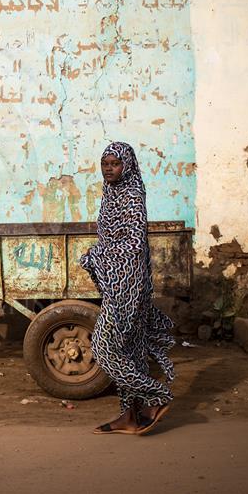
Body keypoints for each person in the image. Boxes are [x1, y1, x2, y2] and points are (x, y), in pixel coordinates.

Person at [81, 141, 175, 435]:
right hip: (116, 281)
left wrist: (96, 255)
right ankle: (129, 416)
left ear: (128, 165)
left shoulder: (132, 194)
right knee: (129, 350)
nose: (109, 169)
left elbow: (133, 244)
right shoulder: (111, 194)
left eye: (115, 164)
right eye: (105, 164)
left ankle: (156, 396)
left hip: (129, 283)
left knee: (103, 348)